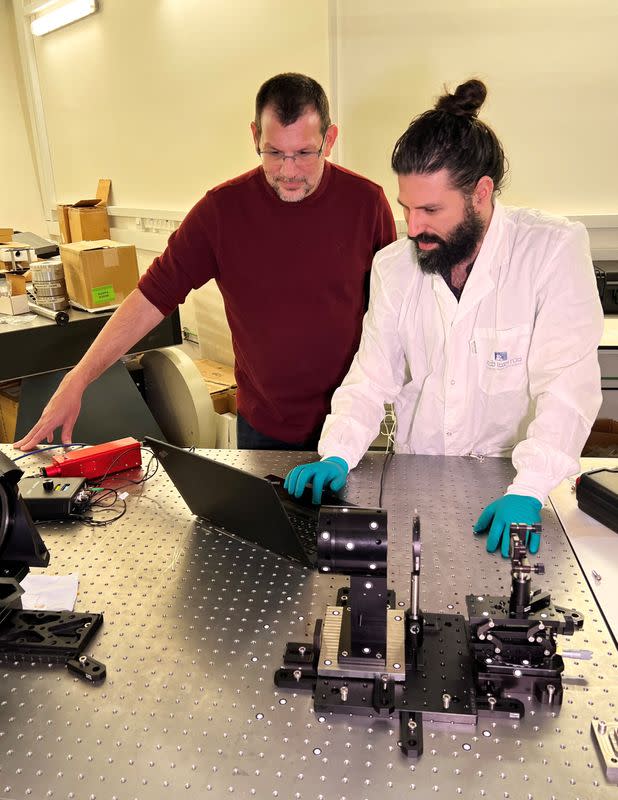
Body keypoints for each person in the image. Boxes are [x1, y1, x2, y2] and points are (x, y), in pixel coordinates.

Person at [285, 78, 603, 557]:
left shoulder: (551, 250)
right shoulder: (394, 266)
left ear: (481, 193)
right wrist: (338, 451)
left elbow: (566, 388)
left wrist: (530, 488)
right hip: (420, 480)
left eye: (431, 209)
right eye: (406, 208)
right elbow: (371, 378)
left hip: (518, 484)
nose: (414, 228)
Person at [15, 73, 396, 452]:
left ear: (329, 140)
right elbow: (151, 298)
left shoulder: (366, 204)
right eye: (274, 152)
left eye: (304, 153)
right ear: (254, 138)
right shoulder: (222, 211)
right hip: (264, 429)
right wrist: (78, 379)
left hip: (351, 425)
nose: (288, 170)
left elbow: (392, 315)